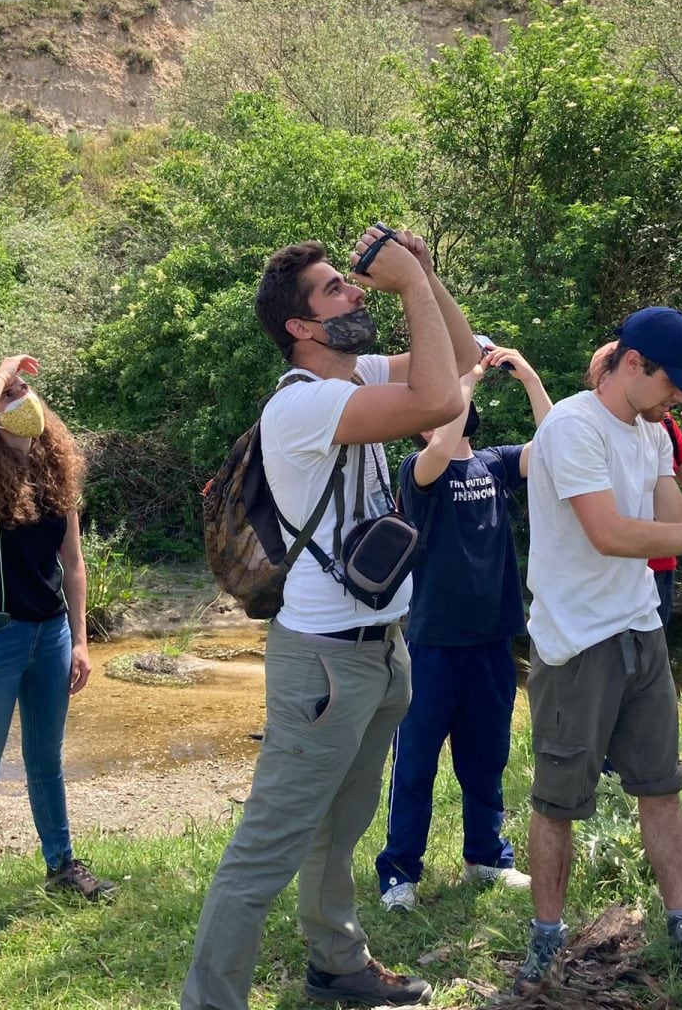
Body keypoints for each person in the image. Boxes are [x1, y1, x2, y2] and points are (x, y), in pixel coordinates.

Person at [181, 226, 479, 1010]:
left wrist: (424, 273)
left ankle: (337, 962)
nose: (353, 292)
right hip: (324, 664)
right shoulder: (304, 405)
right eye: (333, 289)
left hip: (380, 651)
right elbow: (442, 402)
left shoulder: (355, 376)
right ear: (301, 329)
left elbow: (462, 359)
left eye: (348, 283)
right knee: (267, 846)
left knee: (340, 824)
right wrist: (408, 284)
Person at [517, 307, 682, 993]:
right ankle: (545, 942)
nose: (679, 399)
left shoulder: (653, 432)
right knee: (557, 802)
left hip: (640, 630)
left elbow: (670, 516)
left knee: (661, 787)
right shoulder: (572, 427)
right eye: (671, 383)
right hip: (576, 641)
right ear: (634, 364)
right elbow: (608, 532)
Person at [0, 355, 115, 960]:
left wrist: (81, 640)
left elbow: (74, 565)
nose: (24, 398)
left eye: (27, 390)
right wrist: (0, 372)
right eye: (10, 395)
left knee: (46, 762)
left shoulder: (56, 471)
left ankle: (61, 865)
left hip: (49, 635)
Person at [374, 341, 552, 913]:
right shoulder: (418, 470)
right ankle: (400, 871)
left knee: (486, 758)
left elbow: (553, 444)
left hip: (492, 642)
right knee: (417, 764)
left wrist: (526, 375)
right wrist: (465, 377)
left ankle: (487, 858)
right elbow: (444, 437)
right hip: (432, 646)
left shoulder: (496, 463)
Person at [588, 342, 682, 625]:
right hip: (607, 569)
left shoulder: (662, 426)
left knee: (649, 653)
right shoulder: (587, 428)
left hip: (657, 564)